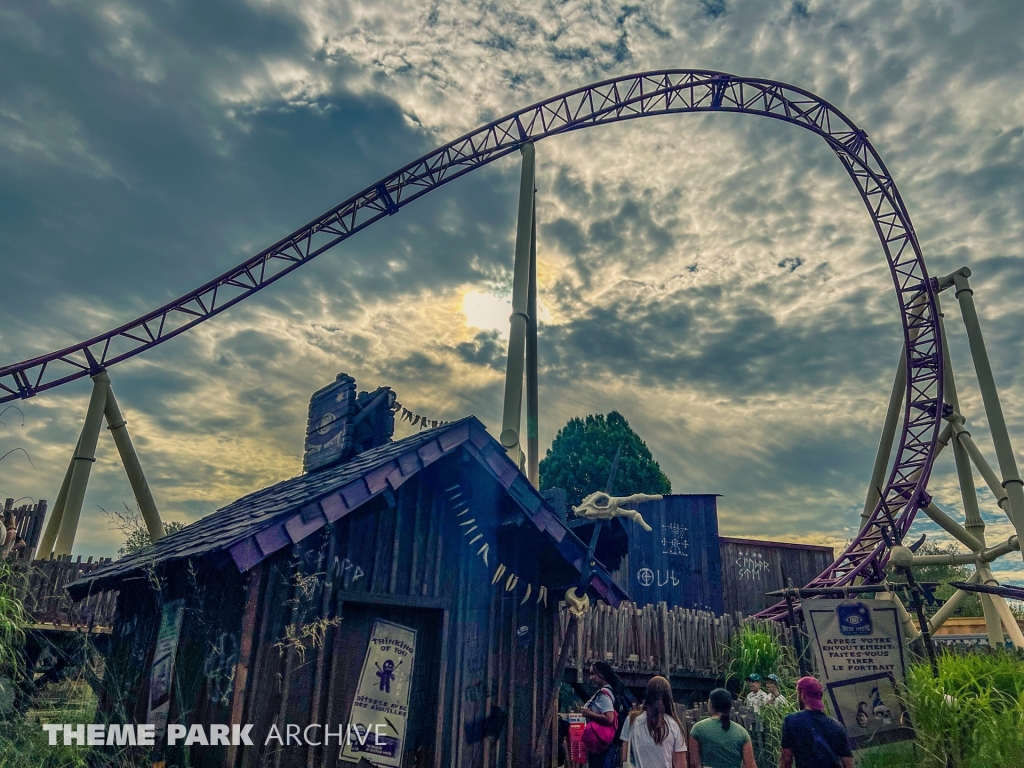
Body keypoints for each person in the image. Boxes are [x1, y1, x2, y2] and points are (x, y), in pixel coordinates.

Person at [780, 677, 854, 768]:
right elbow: (848, 763)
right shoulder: (837, 726)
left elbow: (786, 760)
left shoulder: (791, 721)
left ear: (802, 694)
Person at [620, 676, 688, 768]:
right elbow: (681, 765)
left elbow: (624, 757)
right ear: (668, 697)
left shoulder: (632, 720)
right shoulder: (674, 725)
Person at [688, 688, 755, 768]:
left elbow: (694, 763)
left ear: (711, 705)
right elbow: (750, 765)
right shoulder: (742, 732)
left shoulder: (698, 729)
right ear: (729, 706)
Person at [582, 661, 624, 768]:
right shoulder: (611, 691)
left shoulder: (603, 695)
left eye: (593, 674)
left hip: (602, 744)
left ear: (601, 674)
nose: (590, 678)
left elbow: (609, 718)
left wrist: (588, 713)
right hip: (608, 744)